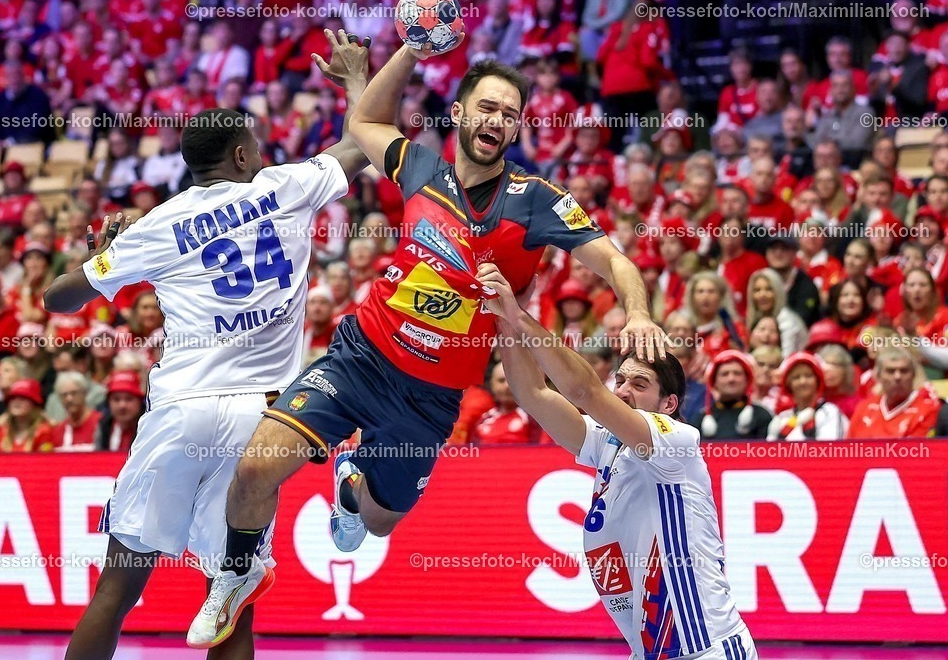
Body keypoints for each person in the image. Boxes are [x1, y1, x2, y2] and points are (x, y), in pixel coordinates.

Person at [190, 34, 667, 649]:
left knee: (382, 525)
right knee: (255, 469)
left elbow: (617, 260)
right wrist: (409, 51)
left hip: (431, 399)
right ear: (463, 114)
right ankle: (233, 576)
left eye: (510, 115)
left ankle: (353, 492)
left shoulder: (535, 202)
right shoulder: (420, 168)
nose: (498, 121)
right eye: (488, 108)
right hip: (361, 358)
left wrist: (639, 312)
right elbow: (363, 122)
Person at [45, 30, 371, 660]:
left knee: (117, 587)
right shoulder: (285, 187)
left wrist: (105, 255)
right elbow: (363, 141)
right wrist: (355, 80)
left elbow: (61, 298)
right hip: (260, 420)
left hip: (180, 408)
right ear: (244, 155)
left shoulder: (159, 222)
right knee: (231, 600)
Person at [478, 263, 758, 660]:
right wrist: (502, 319)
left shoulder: (676, 441)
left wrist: (520, 316)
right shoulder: (606, 443)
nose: (623, 391)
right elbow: (533, 394)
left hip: (706, 650)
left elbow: (583, 390)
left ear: (669, 404)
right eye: (621, 380)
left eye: (639, 385)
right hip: (648, 653)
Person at [847, 346, 941, 439]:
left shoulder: (928, 410)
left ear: (913, 375)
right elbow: (848, 447)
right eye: (890, 371)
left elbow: (917, 451)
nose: (897, 376)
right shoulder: (864, 408)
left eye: (904, 371)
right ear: (878, 376)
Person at [690, 349, 772, 440]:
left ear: (747, 380)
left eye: (737, 373)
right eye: (725, 374)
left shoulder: (761, 415)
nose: (731, 379)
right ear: (714, 382)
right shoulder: (700, 418)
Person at [767, 353, 848, 441]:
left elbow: (829, 449)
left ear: (817, 380)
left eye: (808, 376)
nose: (803, 381)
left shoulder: (829, 411)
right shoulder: (783, 417)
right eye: (796, 377)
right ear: (788, 384)